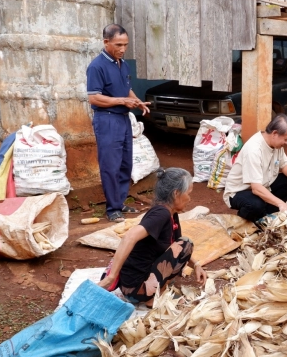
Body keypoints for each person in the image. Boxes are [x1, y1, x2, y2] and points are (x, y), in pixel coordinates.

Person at [98, 167, 206, 306]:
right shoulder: (161, 214)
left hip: (132, 287)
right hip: (135, 289)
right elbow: (129, 237)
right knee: (186, 243)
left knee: (182, 244)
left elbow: (175, 247)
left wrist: (196, 265)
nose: (189, 198)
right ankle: (154, 296)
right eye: (188, 193)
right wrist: (111, 277)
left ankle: (154, 292)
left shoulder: (171, 214)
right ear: (176, 193)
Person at [87, 24, 150, 222]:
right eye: (118, 45)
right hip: (107, 120)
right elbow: (94, 98)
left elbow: (126, 89)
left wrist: (137, 101)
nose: (123, 49)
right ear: (106, 42)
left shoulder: (122, 63)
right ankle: (112, 208)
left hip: (123, 119)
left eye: (126, 45)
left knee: (125, 163)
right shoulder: (97, 66)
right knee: (110, 165)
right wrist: (123, 101)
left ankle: (120, 201)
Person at [223, 114, 287, 222]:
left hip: (264, 184)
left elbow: (285, 165)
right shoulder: (254, 149)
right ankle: (245, 220)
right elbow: (255, 188)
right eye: (286, 139)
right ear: (275, 133)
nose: (286, 143)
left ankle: (266, 216)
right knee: (255, 205)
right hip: (240, 191)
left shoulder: (276, 145)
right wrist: (281, 203)